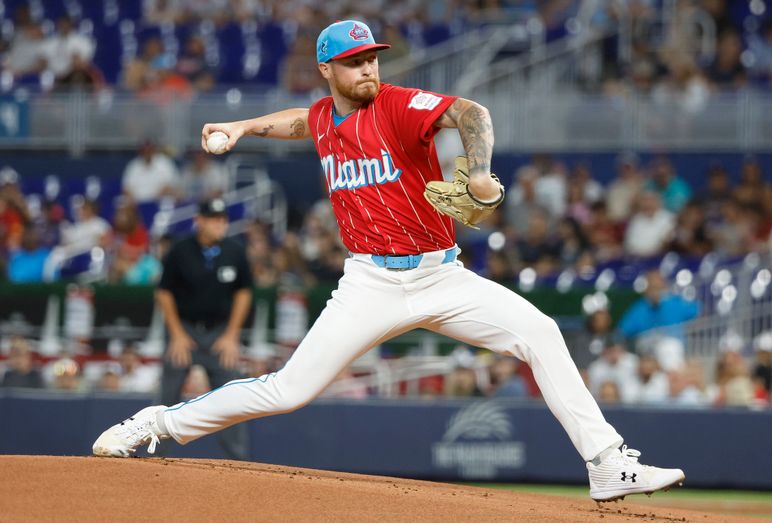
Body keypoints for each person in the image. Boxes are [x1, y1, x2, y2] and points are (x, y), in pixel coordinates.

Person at [93, 20, 684, 502]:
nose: (368, 68)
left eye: (372, 57)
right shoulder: (325, 117)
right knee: (286, 391)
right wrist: (244, 127)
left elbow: (471, 112)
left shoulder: (399, 106)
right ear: (328, 70)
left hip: (440, 274)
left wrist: (477, 170)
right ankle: (158, 424)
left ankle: (606, 463)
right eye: (354, 61)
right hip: (370, 283)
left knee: (542, 332)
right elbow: (301, 121)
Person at [149, 197, 252, 459]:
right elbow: (163, 293)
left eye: (223, 219)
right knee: (167, 395)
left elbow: (244, 293)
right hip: (185, 330)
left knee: (233, 396)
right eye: (214, 219)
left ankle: (238, 462)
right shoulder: (180, 250)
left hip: (219, 333)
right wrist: (177, 334)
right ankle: (154, 458)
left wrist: (231, 335)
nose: (220, 224)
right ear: (199, 222)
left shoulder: (234, 251)